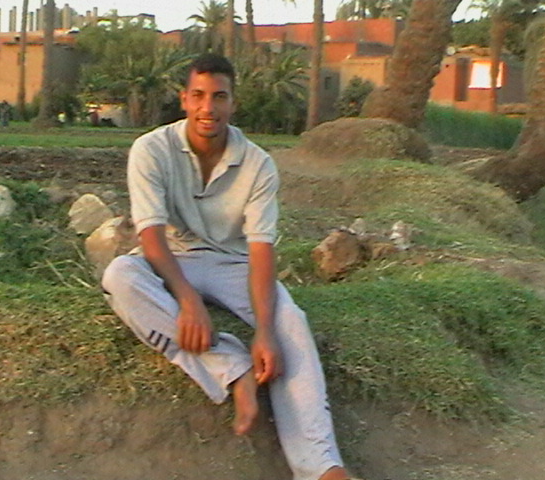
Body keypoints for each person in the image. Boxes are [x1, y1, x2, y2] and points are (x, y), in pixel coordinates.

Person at [101, 53, 359, 480]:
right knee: (120, 278)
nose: (209, 107)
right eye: (199, 95)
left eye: (219, 96)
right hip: (172, 256)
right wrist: (188, 301)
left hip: (232, 262)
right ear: (184, 99)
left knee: (290, 324)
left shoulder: (258, 163)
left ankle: (321, 467)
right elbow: (151, 236)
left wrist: (264, 330)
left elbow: (260, 250)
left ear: (233, 102)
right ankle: (233, 370)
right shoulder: (151, 149)